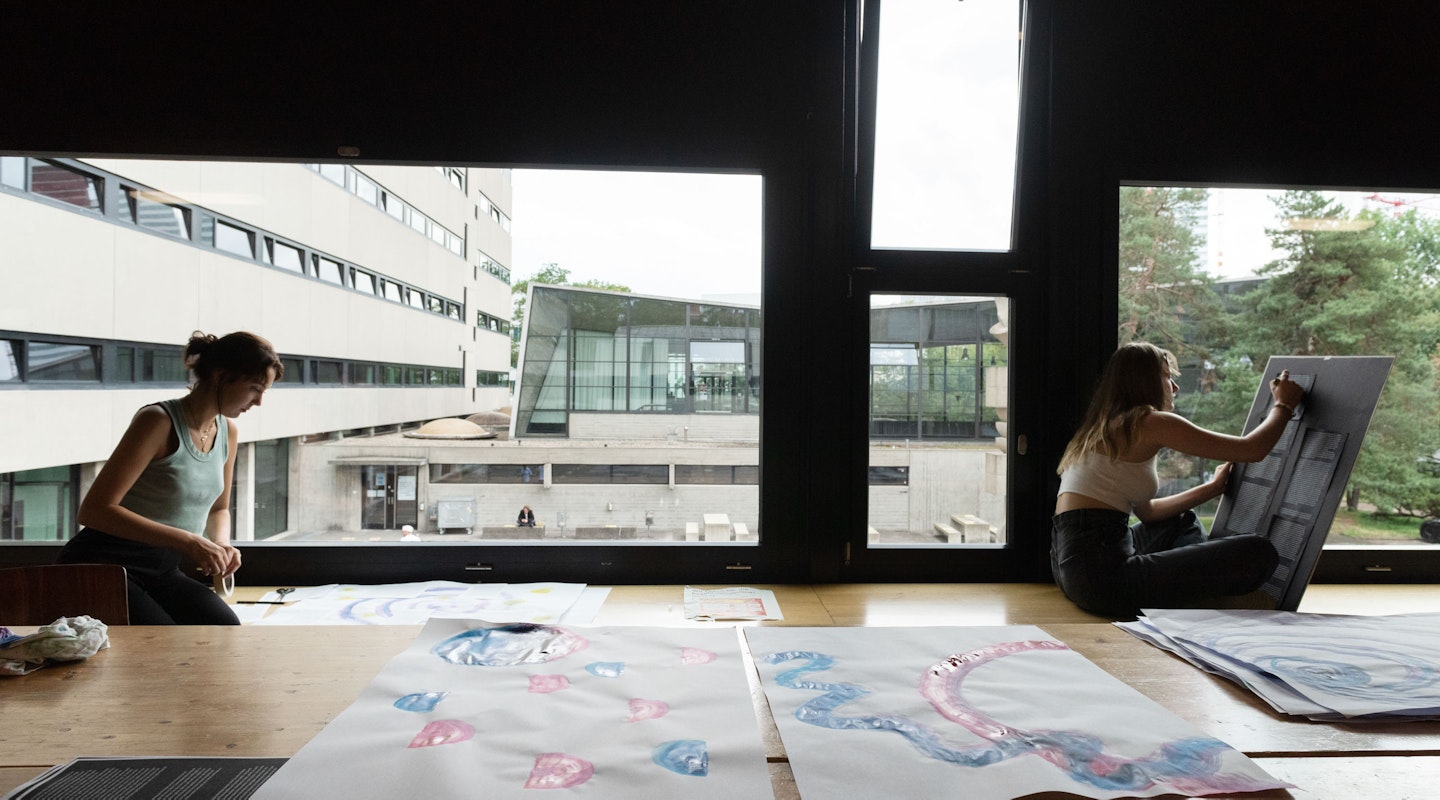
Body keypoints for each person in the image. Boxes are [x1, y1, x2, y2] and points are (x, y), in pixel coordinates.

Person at [1051, 342, 1304, 617]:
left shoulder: (1105, 427)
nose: (1174, 387)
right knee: (1259, 552)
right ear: (1145, 380)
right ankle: (1203, 595)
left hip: (1075, 570)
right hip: (1103, 579)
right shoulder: (1149, 423)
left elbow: (1147, 513)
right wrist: (1284, 404)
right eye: (1166, 376)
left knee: (1183, 519)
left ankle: (1193, 592)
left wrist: (1211, 488)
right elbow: (1251, 450)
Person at [58, 331, 282, 625]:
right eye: (255, 388)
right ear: (219, 375)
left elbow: (219, 508)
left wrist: (221, 544)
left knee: (224, 630)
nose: (259, 402)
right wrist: (190, 542)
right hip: (102, 566)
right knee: (165, 646)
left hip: (162, 568)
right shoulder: (157, 421)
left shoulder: (228, 430)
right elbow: (94, 511)